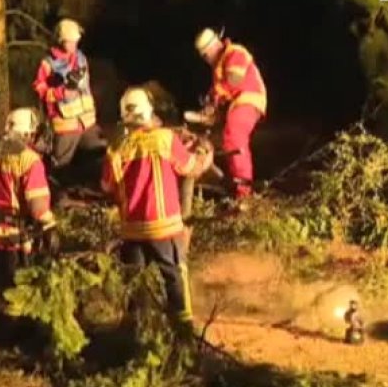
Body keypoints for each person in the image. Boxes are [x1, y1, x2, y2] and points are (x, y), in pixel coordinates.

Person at [101, 86, 213, 337]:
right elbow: (190, 167)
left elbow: (107, 185)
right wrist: (205, 152)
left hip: (131, 230)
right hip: (163, 227)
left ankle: (134, 333)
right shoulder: (164, 139)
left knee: (134, 282)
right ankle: (184, 331)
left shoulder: (116, 149)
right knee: (174, 274)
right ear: (149, 112)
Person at [0, 108, 61, 288]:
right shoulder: (30, 160)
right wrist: (50, 227)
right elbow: (37, 206)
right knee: (21, 290)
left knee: (2, 286)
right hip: (21, 237)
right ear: (27, 133)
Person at [193, 28, 267, 210]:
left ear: (212, 48)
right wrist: (209, 109)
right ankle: (231, 183)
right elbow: (219, 90)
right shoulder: (219, 66)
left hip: (249, 98)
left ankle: (244, 191)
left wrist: (214, 100)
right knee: (220, 140)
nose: (205, 60)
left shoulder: (234, 52)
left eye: (205, 55)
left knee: (234, 135)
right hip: (236, 104)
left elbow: (233, 80)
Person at [33, 18, 106, 192]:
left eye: (76, 41)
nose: (74, 44)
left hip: (87, 122)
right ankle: (58, 199)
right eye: (70, 41)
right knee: (60, 167)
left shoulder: (81, 57)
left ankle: (94, 192)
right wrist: (60, 93)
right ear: (60, 40)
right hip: (65, 124)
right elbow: (39, 88)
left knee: (99, 156)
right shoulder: (48, 63)